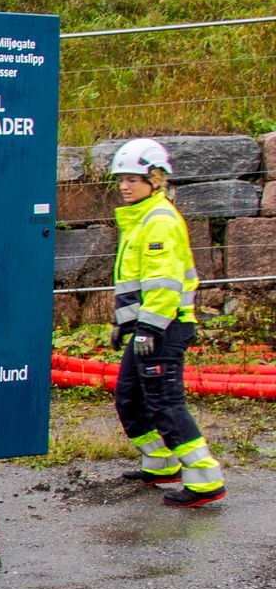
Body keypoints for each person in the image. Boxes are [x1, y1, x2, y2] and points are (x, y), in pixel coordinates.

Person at [110, 139, 224, 507]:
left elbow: (164, 284)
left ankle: (205, 480)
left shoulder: (159, 221)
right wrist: (124, 322)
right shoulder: (141, 218)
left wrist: (148, 328)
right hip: (149, 327)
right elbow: (137, 283)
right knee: (129, 398)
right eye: (121, 179)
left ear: (156, 179)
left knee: (165, 403)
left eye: (134, 179)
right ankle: (161, 464)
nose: (125, 186)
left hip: (164, 328)